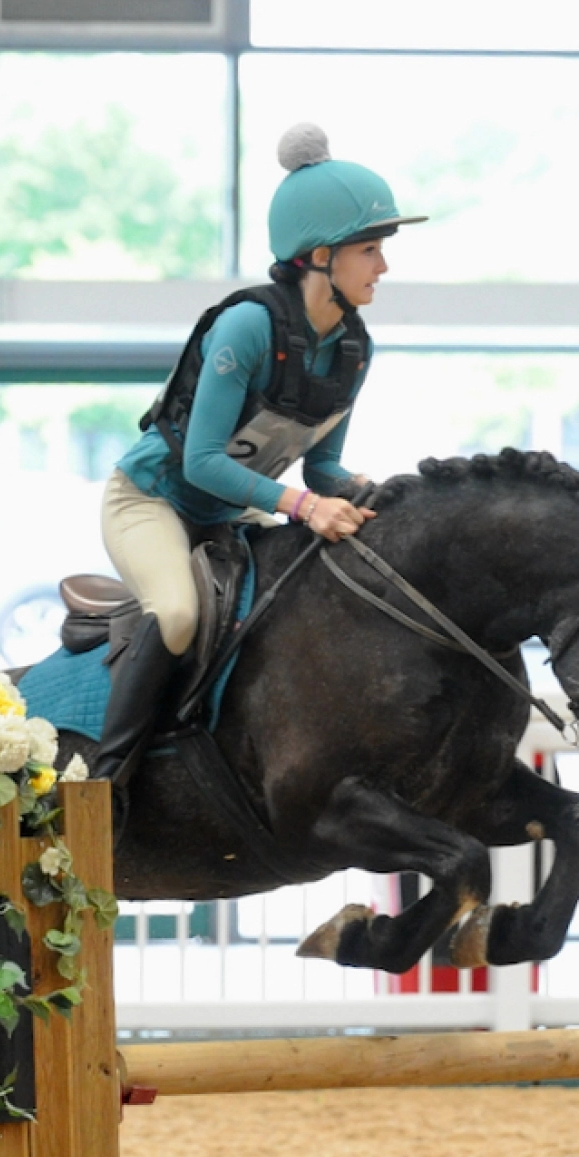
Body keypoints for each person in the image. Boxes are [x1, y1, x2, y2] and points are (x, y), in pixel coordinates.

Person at [92, 122, 426, 816]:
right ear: (320, 255)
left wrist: (373, 494)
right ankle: (105, 785)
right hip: (152, 500)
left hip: (227, 511)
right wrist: (303, 506)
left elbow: (324, 467)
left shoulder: (353, 351)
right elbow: (201, 460)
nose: (382, 267)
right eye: (370, 250)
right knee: (179, 613)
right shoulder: (246, 328)